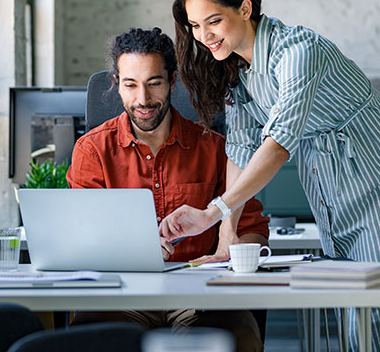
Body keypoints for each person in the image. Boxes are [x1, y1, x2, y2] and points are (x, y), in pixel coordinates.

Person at [159, 0, 380, 351]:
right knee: (351, 305)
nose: (204, 35)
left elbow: (276, 145)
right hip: (330, 180)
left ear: (245, 8)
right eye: (194, 26)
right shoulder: (238, 69)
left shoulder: (298, 52)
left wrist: (212, 212)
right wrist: (226, 235)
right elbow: (242, 146)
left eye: (213, 21)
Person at [67, 27, 269, 352]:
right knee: (86, 343)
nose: (143, 100)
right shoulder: (93, 151)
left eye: (154, 83)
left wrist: (232, 252)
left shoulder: (215, 149)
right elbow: (79, 240)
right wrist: (135, 250)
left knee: (238, 338)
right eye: (130, 85)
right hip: (122, 298)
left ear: (173, 82)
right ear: (117, 84)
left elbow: (253, 230)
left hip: (200, 298)